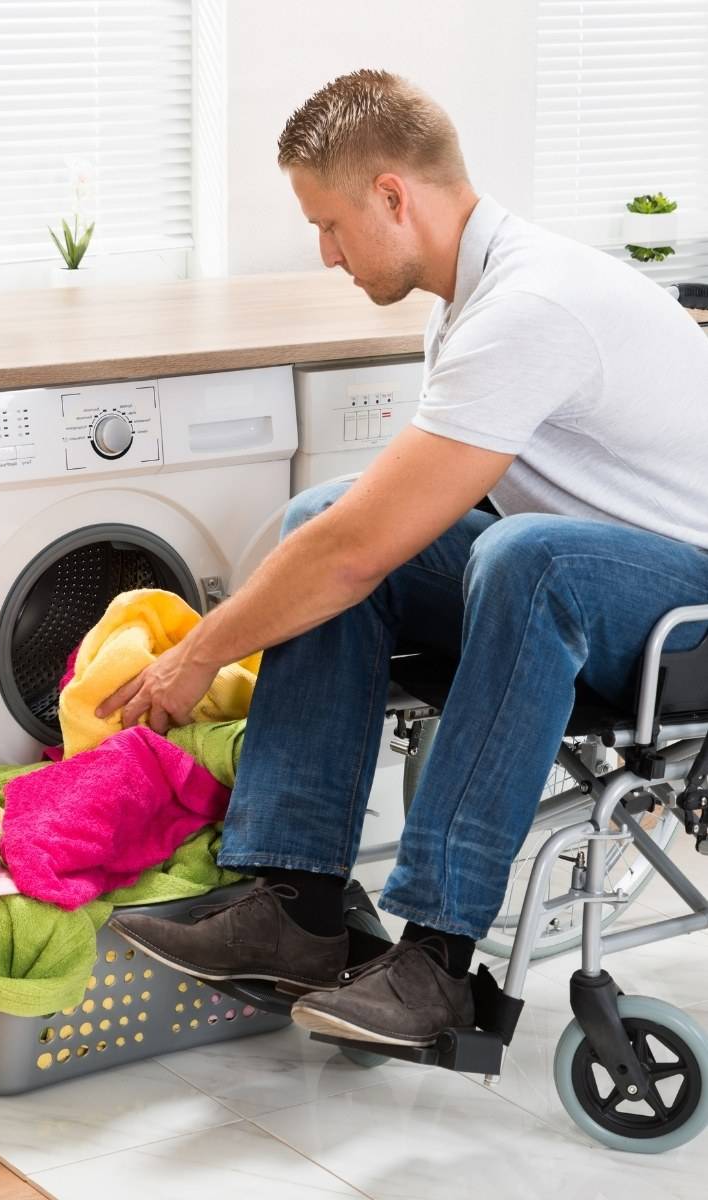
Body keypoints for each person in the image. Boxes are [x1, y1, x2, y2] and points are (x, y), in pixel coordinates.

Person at [97, 69, 708, 1048]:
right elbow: (356, 536)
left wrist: (202, 651)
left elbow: (364, 556)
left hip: (688, 607)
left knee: (514, 556)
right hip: (602, 589)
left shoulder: (532, 304)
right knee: (320, 514)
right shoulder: (466, 302)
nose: (326, 254)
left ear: (393, 195)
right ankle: (297, 906)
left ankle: (438, 963)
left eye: (332, 225)